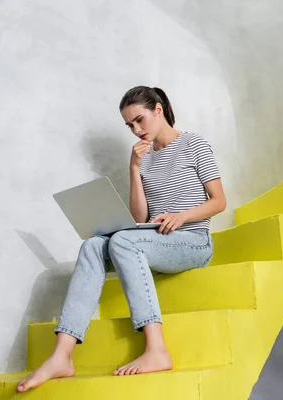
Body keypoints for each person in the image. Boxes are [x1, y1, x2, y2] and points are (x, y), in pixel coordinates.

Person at [16, 86, 226, 392]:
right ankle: (62, 355)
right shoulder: (144, 158)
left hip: (192, 240)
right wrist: (134, 168)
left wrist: (181, 216)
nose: (136, 130)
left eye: (139, 120)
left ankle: (157, 348)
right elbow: (140, 219)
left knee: (122, 242)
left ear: (158, 109)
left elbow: (219, 201)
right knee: (92, 245)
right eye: (130, 126)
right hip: (154, 240)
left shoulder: (194, 144)